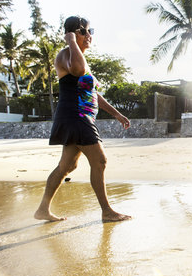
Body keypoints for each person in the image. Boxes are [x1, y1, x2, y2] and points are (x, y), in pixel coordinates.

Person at [34, 16, 131, 223]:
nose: (89, 36)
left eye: (90, 31)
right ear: (73, 33)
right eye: (85, 31)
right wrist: (70, 41)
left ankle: (43, 209)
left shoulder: (78, 57)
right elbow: (77, 70)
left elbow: (93, 94)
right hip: (76, 117)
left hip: (80, 117)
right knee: (100, 161)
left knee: (66, 167)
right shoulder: (65, 55)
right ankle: (107, 211)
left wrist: (116, 114)